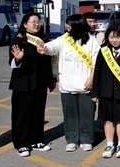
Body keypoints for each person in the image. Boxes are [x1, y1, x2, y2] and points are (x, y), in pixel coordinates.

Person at [37, 14, 100, 152]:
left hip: (86, 84)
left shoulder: (91, 41)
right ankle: (71, 139)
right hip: (67, 85)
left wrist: (91, 79)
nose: (67, 26)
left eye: (69, 24)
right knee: (69, 114)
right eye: (67, 24)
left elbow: (96, 62)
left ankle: (86, 139)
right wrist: (45, 48)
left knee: (87, 114)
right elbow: (52, 47)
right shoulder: (64, 39)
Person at [8, 12, 55, 157]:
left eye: (38, 21)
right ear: (25, 24)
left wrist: (51, 80)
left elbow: (48, 63)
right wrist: (18, 59)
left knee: (38, 112)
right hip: (23, 84)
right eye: (33, 21)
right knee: (22, 114)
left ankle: (37, 140)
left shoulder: (43, 41)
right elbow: (12, 63)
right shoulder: (18, 40)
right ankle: (21, 143)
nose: (36, 24)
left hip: (40, 83)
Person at [91, 23, 120, 159]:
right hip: (106, 92)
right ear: (107, 37)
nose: (114, 40)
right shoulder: (103, 51)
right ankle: (110, 144)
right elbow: (97, 73)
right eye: (111, 37)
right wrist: (95, 93)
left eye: (118, 37)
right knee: (108, 120)